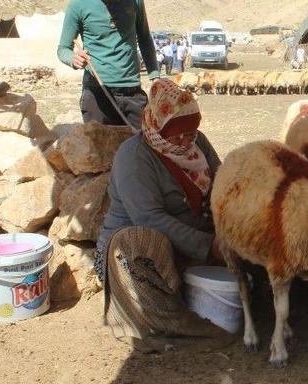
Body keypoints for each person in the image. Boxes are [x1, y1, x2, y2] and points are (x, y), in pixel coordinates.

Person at [94, 79, 227, 346]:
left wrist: (228, 228)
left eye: (190, 133)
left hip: (192, 241)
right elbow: (150, 218)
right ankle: (166, 320)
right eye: (177, 135)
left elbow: (222, 183)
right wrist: (208, 245)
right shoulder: (134, 157)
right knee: (138, 239)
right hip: (141, 253)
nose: (185, 141)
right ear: (158, 126)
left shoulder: (198, 143)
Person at [57, 0, 159, 128]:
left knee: (141, 143)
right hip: (97, 92)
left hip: (132, 91)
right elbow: (63, 49)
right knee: (100, 146)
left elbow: (144, 38)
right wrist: (72, 58)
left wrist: (155, 75)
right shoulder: (78, 5)